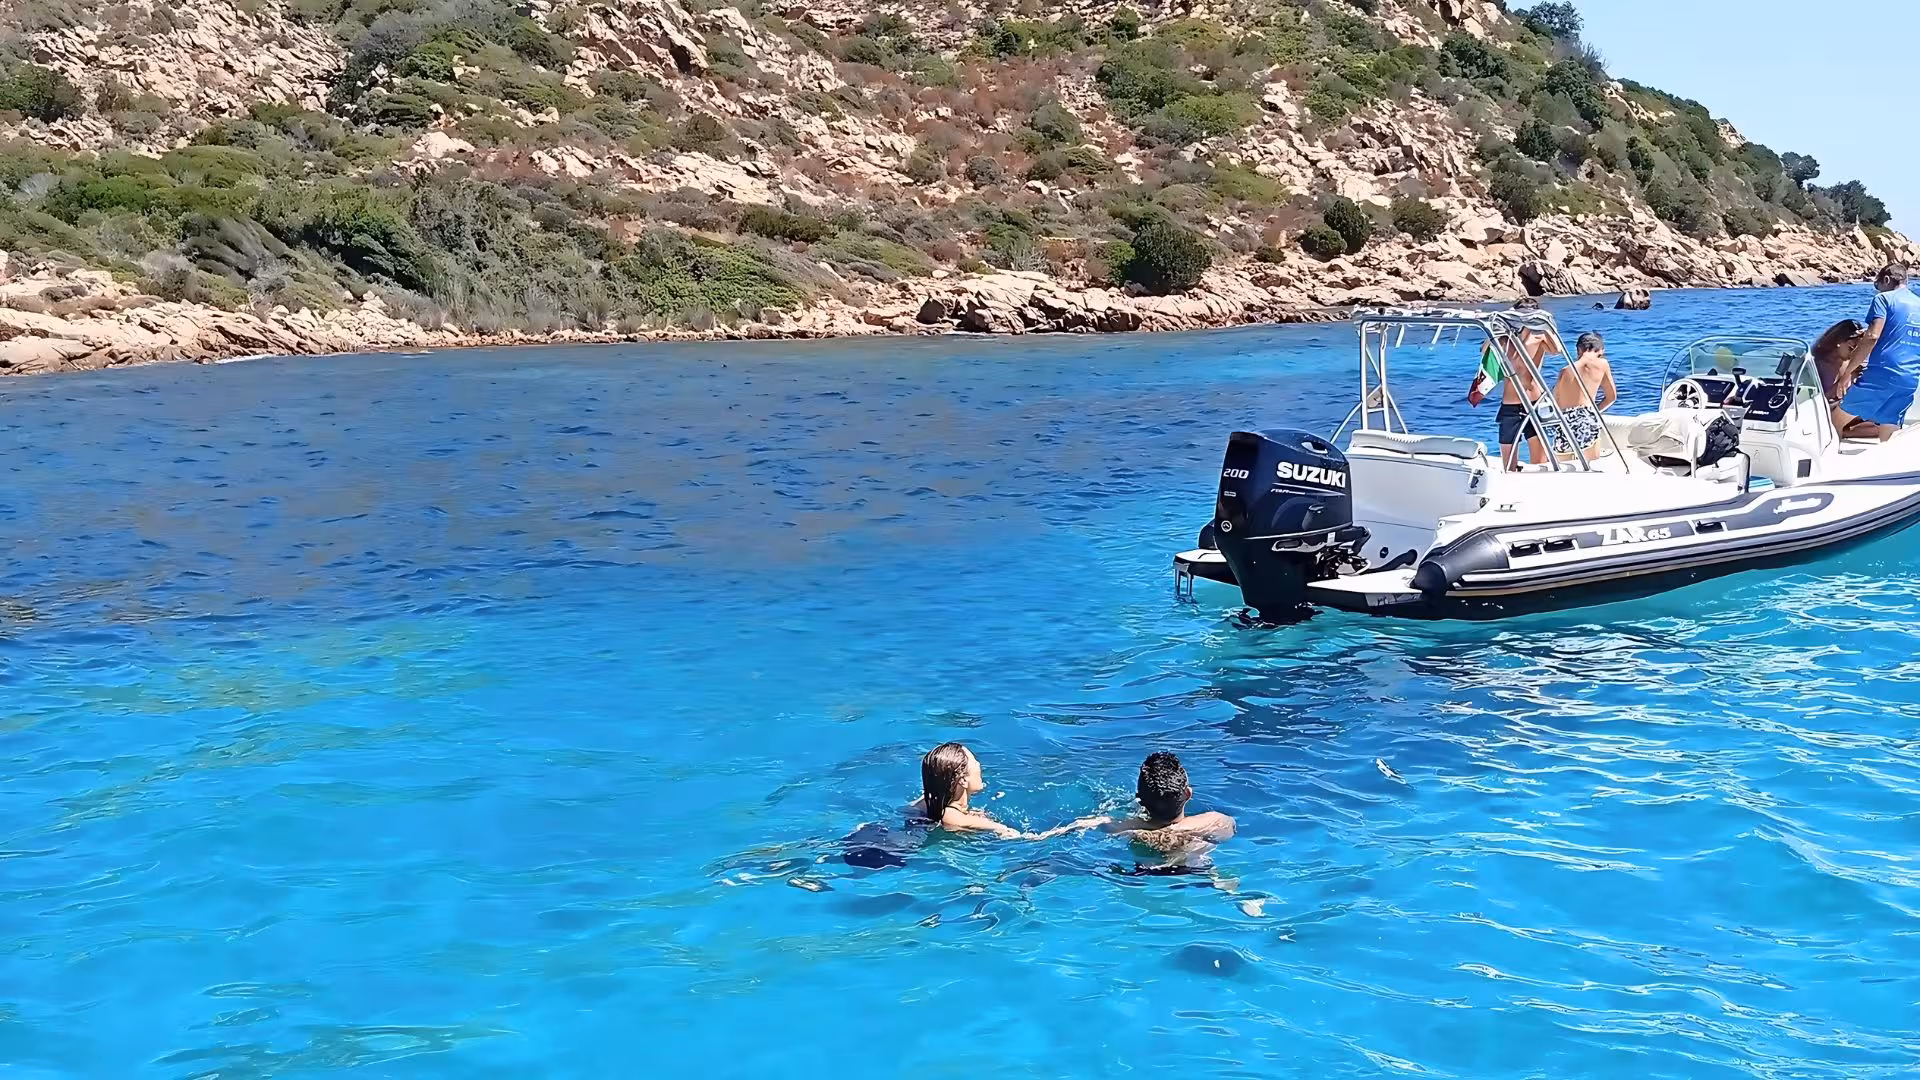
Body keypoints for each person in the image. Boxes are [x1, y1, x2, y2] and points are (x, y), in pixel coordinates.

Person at [909, 741, 1104, 840]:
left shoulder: (928, 802)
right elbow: (1024, 839)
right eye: (975, 762)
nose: (979, 765)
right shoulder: (956, 819)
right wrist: (1079, 825)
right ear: (963, 780)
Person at [1100, 751, 1235, 872]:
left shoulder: (1128, 827)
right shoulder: (1214, 821)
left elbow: (1103, 825)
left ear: (1139, 800)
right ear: (1188, 794)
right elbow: (1229, 831)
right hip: (1196, 869)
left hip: (1145, 871)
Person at [1834, 263, 1920, 441]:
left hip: (1882, 373)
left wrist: (1848, 372)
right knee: (1889, 432)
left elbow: (1872, 336)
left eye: (1877, 285)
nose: (1877, 291)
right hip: (1910, 378)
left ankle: (1824, 465)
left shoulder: (1884, 299)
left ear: (1886, 279)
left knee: (1834, 422)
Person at [1541, 331, 1617, 461]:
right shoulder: (1603, 364)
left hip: (1565, 421)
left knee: (1566, 468)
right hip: (1587, 418)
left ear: (1579, 349)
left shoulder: (1566, 371)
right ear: (1601, 350)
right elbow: (1611, 397)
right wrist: (1594, 412)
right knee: (1593, 465)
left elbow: (1556, 401)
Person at [1489, 328, 1556, 471]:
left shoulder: (1539, 338)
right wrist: (1496, 330)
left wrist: (1545, 327)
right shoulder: (1504, 340)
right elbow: (1485, 352)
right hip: (1510, 405)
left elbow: (1557, 350)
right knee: (1509, 465)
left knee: (1540, 463)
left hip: (1534, 403)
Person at [1811, 318, 1869, 430]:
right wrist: (1842, 381)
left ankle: (1844, 430)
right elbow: (1817, 401)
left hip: (1844, 410)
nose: (1853, 353)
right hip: (1824, 411)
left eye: (1857, 350)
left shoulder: (1852, 363)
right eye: (1851, 348)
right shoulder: (1818, 363)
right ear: (1838, 342)